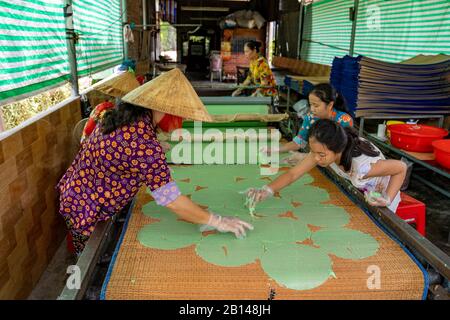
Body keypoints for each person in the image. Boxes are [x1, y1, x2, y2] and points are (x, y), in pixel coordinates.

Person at [58, 69, 253, 255]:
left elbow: (122, 153)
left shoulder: (121, 117)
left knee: (76, 245)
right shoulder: (143, 144)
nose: (181, 119)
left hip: (75, 193)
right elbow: (172, 200)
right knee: (81, 259)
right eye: (180, 113)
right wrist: (216, 221)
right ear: (164, 109)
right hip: (86, 211)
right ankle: (73, 268)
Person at [247, 119, 407, 213]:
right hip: (365, 190)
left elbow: (401, 168)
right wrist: (267, 190)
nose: (316, 158)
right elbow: (293, 174)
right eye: (313, 152)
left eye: (321, 155)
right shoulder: (324, 150)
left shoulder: (362, 167)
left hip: (384, 194)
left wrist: (387, 198)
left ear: (337, 149)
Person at [262, 83, 354, 165]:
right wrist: (274, 150)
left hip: (342, 164)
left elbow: (342, 151)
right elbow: (299, 142)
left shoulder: (344, 120)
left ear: (330, 105)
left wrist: (305, 157)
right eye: (311, 105)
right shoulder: (311, 118)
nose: (312, 109)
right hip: (321, 160)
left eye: (316, 105)